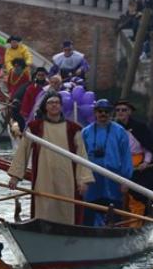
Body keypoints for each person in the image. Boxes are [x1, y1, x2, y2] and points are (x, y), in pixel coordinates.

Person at [8, 92, 95, 224]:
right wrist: (15, 176)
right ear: (45, 106)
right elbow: (23, 151)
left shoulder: (73, 129)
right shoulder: (35, 127)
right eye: (50, 102)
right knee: (44, 208)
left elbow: (81, 155)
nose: (54, 105)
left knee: (66, 208)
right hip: (44, 176)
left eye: (57, 102)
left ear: (61, 106)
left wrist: (83, 180)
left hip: (67, 178)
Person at [81, 99, 133, 226]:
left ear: (111, 113)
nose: (103, 114)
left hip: (113, 178)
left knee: (114, 213)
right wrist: (81, 180)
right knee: (89, 212)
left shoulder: (120, 131)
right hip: (92, 179)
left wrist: (125, 180)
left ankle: (115, 235)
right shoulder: (86, 132)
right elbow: (81, 158)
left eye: (106, 111)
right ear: (95, 113)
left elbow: (126, 157)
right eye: (100, 111)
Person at [114, 99, 153, 216]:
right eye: (118, 110)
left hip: (138, 162)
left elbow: (149, 148)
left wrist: (145, 162)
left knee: (148, 189)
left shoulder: (140, 127)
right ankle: (120, 217)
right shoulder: (112, 128)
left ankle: (152, 212)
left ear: (129, 112)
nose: (121, 112)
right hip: (118, 162)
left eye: (124, 110)